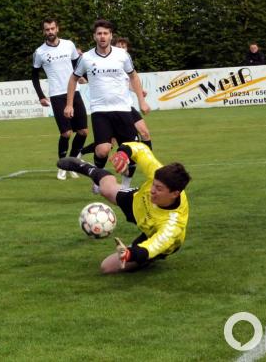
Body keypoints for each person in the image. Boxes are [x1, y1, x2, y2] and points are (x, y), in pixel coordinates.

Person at [58, 142, 191, 274]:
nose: (152, 190)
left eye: (159, 188)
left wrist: (130, 254)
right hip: (138, 203)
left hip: (152, 234)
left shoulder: (173, 226)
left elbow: (152, 247)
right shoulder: (157, 175)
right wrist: (123, 153)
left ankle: (147, 261)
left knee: (107, 267)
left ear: (175, 193)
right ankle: (85, 167)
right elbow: (140, 149)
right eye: (153, 184)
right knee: (106, 189)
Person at [64, 19, 150, 191]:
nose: (102, 36)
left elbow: (133, 76)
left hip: (123, 109)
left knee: (129, 150)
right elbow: (73, 78)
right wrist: (69, 104)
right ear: (94, 36)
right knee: (102, 150)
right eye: (99, 33)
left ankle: (125, 185)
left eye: (105, 33)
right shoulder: (86, 58)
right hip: (100, 111)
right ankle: (98, 179)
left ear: (111, 36)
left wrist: (141, 100)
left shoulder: (122, 55)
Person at [32, 18, 89, 180]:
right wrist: (41, 96)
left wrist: (83, 77)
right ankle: (62, 165)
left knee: (83, 131)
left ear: (57, 29)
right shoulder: (40, 52)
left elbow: (77, 64)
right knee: (66, 133)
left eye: (52, 28)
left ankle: (72, 162)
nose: (50, 32)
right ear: (44, 32)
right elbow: (34, 75)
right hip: (57, 95)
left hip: (74, 91)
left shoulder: (69, 45)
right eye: (47, 29)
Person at [79, 36, 153, 157]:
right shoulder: (111, 63)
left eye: (124, 46)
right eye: (119, 46)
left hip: (126, 107)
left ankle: (149, 160)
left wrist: (139, 92)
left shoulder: (125, 63)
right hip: (111, 109)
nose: (122, 48)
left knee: (144, 132)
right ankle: (81, 152)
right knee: (108, 144)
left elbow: (128, 83)